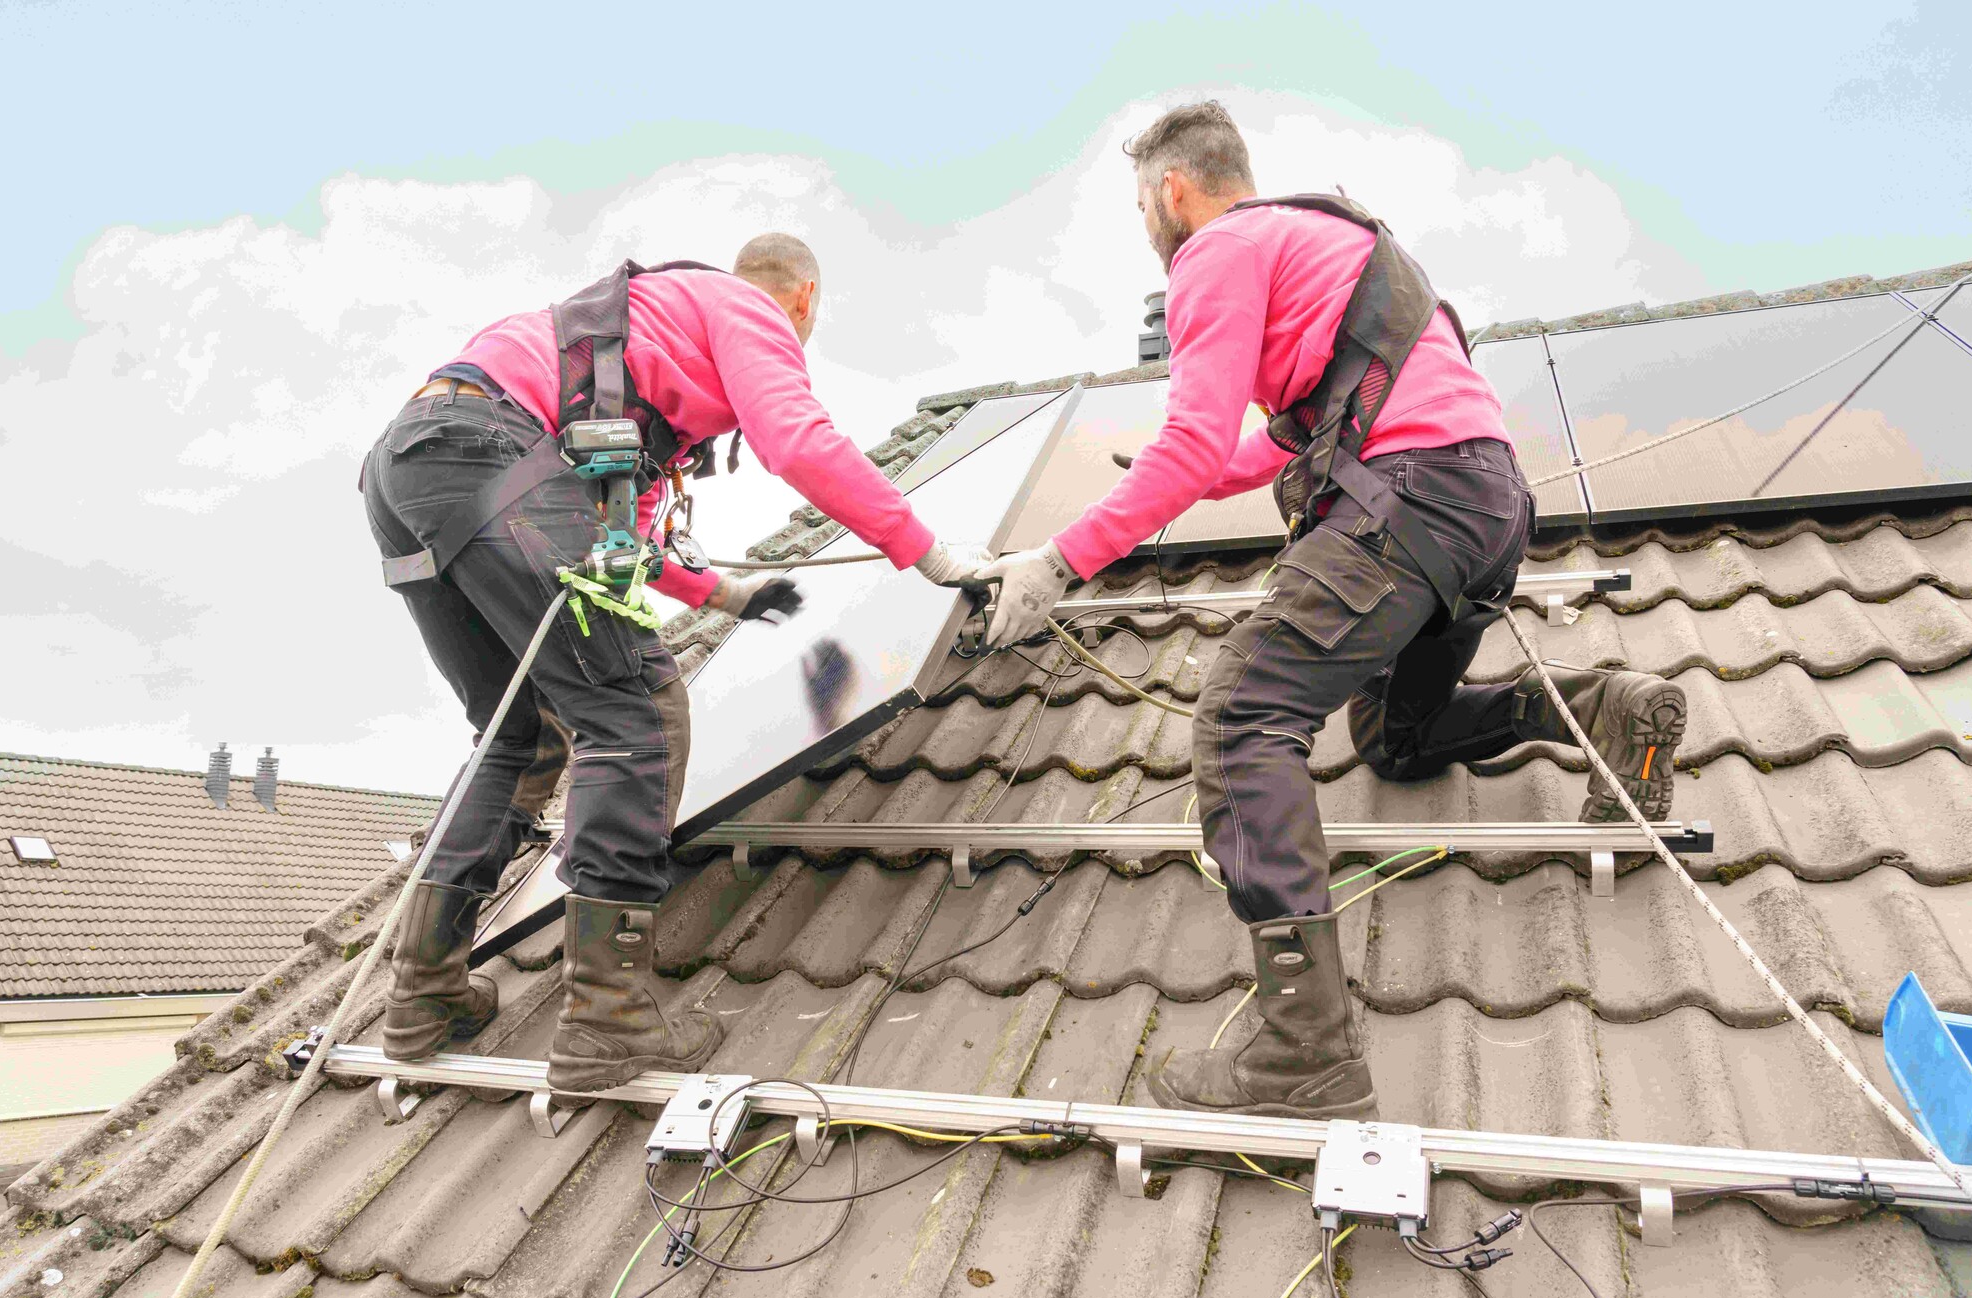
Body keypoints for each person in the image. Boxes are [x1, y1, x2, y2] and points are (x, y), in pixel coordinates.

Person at [978, 104, 1686, 1121]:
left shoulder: (1213, 251)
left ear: (1171, 191)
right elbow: (1276, 441)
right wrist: (1196, 469)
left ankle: (1303, 1049)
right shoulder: (1332, 244)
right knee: (1393, 740)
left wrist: (1056, 559)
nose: (1146, 223)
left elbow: (1192, 444)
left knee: (1238, 720)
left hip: (1407, 503)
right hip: (1485, 507)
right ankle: (1600, 704)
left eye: (1141, 204)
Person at [362, 234, 978, 1091]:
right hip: (486, 454)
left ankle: (422, 997)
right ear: (803, 298)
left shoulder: (638, 351)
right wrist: (928, 552)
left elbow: (619, 541)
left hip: (408, 467)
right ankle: (607, 1020)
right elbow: (797, 443)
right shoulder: (747, 309)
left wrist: (723, 596)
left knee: (520, 735)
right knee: (635, 707)